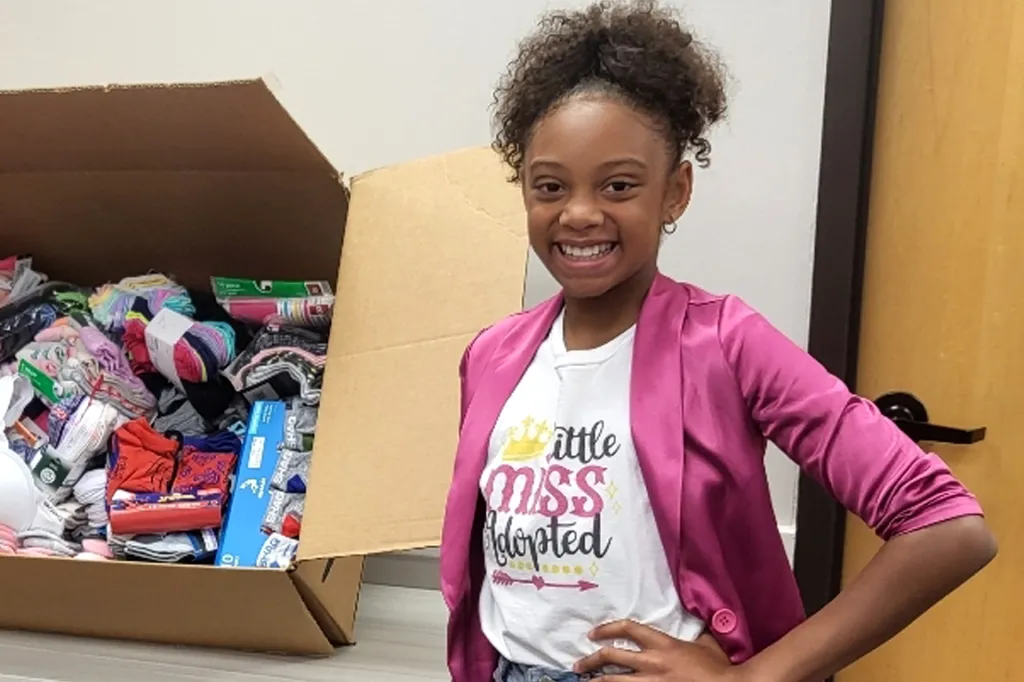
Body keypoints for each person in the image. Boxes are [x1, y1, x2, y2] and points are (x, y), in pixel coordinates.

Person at [439, 1, 997, 681]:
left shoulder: (726, 343)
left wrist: (752, 676)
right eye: (550, 186)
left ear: (675, 191)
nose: (580, 213)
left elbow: (948, 527)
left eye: (619, 185)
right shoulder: (492, 354)